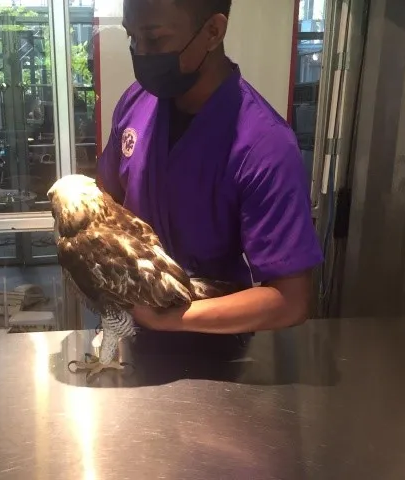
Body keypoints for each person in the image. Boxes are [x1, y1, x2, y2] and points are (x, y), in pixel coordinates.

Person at [96, 0, 324, 341]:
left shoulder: (265, 145)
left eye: (154, 39)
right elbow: (106, 202)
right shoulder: (135, 103)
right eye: (132, 38)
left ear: (213, 31)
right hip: (130, 327)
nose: (140, 53)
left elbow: (290, 300)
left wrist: (166, 318)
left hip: (215, 341)